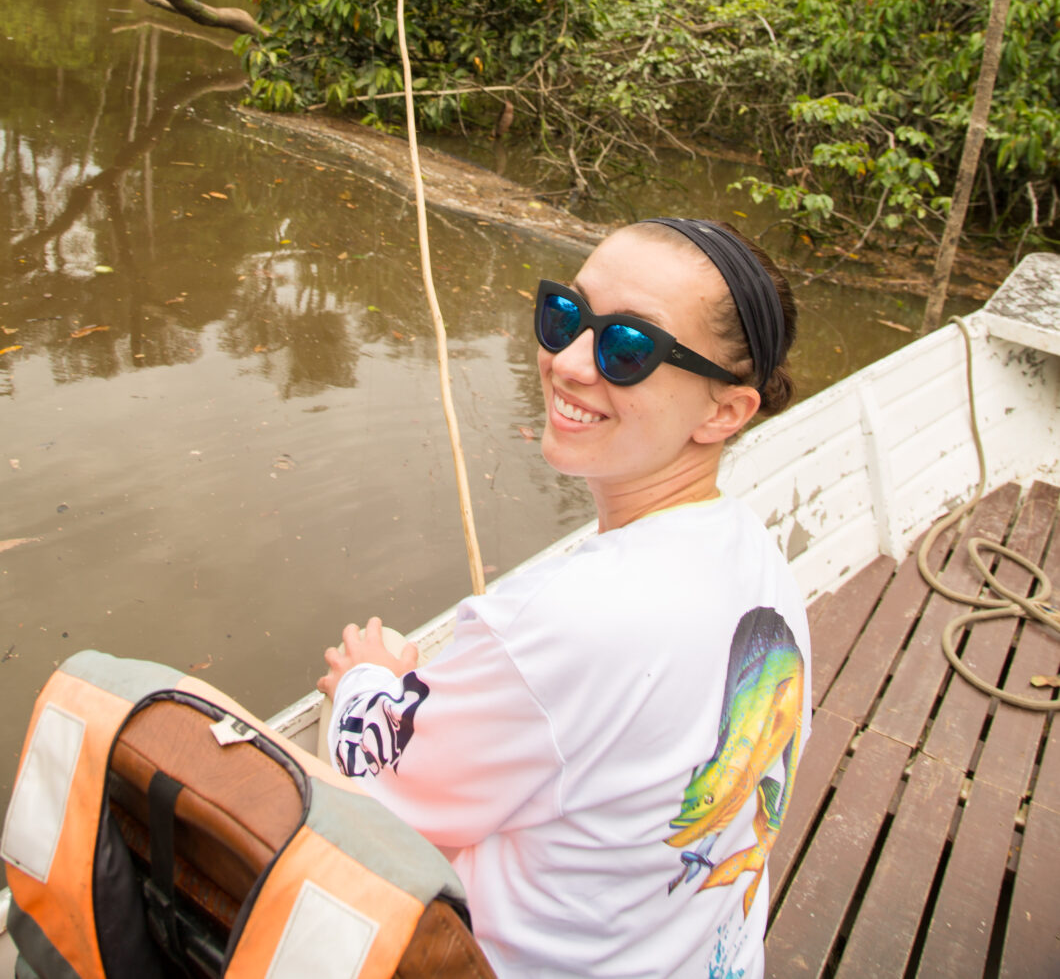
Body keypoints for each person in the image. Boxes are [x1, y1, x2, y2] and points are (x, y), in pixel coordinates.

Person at [319, 218, 811, 979]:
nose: (568, 363)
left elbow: (375, 794)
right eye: (565, 316)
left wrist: (366, 680)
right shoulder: (757, 557)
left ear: (724, 413)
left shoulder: (563, 622)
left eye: (628, 349)